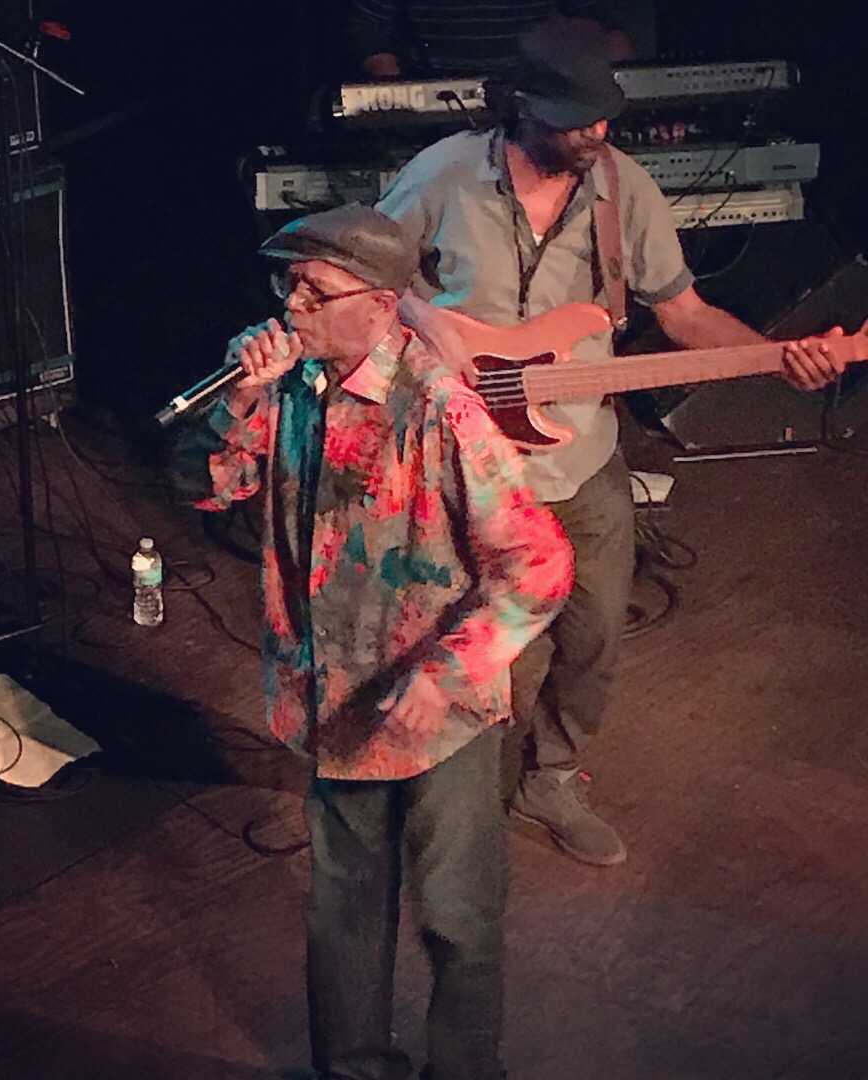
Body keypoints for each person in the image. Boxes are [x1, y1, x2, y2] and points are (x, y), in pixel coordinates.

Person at [374, 14, 847, 866]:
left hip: (579, 457)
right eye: (574, 118)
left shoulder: (624, 190)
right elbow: (365, 272)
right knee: (457, 636)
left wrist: (779, 360)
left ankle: (551, 778)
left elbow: (685, 313)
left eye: (602, 115)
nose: (594, 131)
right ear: (520, 105)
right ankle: (446, 792)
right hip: (463, 460)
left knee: (594, 636)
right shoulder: (442, 174)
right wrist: (429, 324)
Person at [170, 203, 573, 1080]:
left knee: (457, 915)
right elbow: (210, 487)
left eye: (316, 291)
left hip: (437, 713)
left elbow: (538, 561)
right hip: (336, 698)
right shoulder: (289, 387)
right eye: (289, 285)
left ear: (381, 305)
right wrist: (239, 398)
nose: (292, 306)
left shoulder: (438, 408)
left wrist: (448, 670)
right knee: (344, 912)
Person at [349, 0, 633, 78]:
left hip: (546, 109)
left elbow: (603, 26)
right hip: (440, 125)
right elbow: (370, 35)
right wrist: (406, 109)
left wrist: (635, 99)